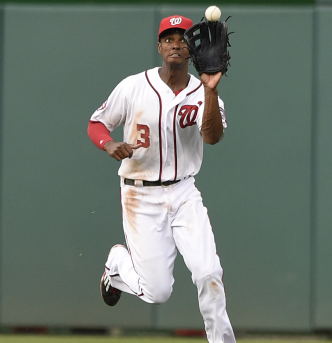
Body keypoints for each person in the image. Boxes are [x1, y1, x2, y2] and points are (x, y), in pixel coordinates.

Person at [87, 15, 235, 343]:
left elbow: (212, 137)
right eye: (168, 38)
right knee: (158, 293)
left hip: (184, 192)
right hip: (140, 196)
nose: (176, 44)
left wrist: (210, 91)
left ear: (193, 48)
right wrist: (108, 143)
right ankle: (116, 264)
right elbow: (97, 123)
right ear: (159, 46)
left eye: (183, 38)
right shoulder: (133, 87)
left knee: (209, 273)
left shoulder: (202, 92)